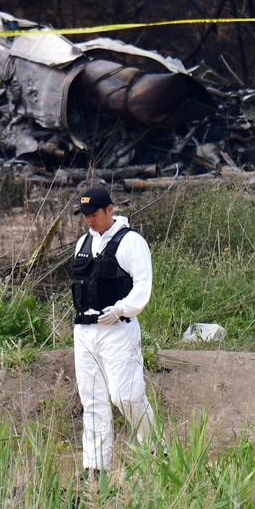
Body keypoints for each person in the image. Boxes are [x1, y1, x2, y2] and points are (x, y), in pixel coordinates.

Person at [69, 185, 157, 476]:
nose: (89, 220)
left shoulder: (130, 242)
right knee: (92, 400)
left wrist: (122, 308)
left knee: (126, 396)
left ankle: (156, 451)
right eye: (85, 215)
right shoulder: (83, 241)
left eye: (94, 214)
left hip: (118, 329)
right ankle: (96, 470)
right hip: (84, 331)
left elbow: (143, 285)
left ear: (110, 210)